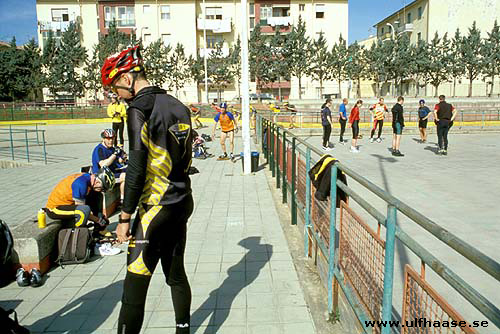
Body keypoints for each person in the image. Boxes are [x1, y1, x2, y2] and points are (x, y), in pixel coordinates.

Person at [101, 45, 194, 334]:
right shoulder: (178, 105)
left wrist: (125, 218)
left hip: (155, 210)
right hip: (182, 202)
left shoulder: (138, 109)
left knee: (133, 288)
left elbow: (136, 168)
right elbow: (188, 158)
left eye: (115, 87)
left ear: (127, 79)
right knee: (176, 276)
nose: (116, 95)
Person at [45, 167, 115, 230]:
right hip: (54, 209)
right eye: (102, 189)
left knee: (97, 195)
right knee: (84, 211)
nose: (101, 190)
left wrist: (100, 216)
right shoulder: (80, 184)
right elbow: (83, 211)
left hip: (69, 204)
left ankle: (98, 230)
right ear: (97, 182)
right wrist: (97, 220)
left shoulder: (88, 177)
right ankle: (77, 233)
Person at [92, 128, 127, 202]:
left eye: (112, 138)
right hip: (101, 176)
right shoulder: (99, 149)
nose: (110, 140)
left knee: (131, 171)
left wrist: (123, 158)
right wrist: (114, 154)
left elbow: (119, 161)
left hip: (111, 173)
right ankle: (123, 201)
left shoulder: (112, 149)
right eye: (108, 138)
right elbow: (103, 165)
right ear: (103, 139)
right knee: (125, 176)